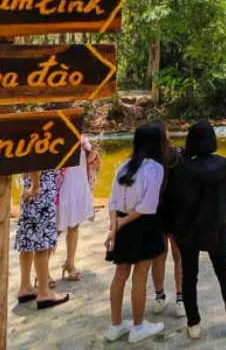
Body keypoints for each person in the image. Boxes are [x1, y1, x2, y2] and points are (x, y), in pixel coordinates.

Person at [170, 120, 226, 340]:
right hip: (216, 228)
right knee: (224, 273)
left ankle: (193, 325)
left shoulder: (182, 171)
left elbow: (176, 201)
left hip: (188, 231)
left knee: (189, 276)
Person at [104, 122, 167, 344]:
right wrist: (120, 224)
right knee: (140, 275)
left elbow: (112, 201)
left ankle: (116, 325)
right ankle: (138, 327)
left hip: (123, 224)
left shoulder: (124, 166)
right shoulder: (155, 168)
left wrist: (115, 226)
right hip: (143, 224)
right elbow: (147, 206)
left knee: (120, 274)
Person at [15, 169, 70, 310]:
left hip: (31, 190)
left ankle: (25, 287)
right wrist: (36, 185)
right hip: (40, 193)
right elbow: (35, 162)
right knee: (42, 246)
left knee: (27, 243)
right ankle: (44, 293)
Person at [150, 122, 185, 318]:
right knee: (178, 256)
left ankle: (160, 296)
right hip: (177, 211)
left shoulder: (148, 159)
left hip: (155, 211)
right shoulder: (179, 155)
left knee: (159, 255)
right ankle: (181, 299)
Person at [56, 133, 98, 281]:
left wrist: (93, 152)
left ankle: (70, 263)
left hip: (79, 183)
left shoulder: (83, 138)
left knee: (74, 226)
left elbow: (90, 161)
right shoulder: (57, 136)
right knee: (56, 228)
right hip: (63, 185)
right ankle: (41, 272)